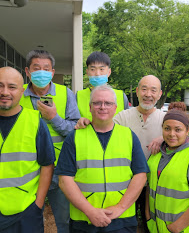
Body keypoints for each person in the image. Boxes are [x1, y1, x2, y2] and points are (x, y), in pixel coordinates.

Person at [56, 84, 149, 233]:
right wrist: (90, 211)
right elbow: (64, 180)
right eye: (97, 103)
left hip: (122, 220)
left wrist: (120, 208)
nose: (102, 107)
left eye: (108, 103)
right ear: (90, 107)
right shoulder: (75, 137)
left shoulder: (128, 136)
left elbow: (141, 175)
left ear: (115, 107)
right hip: (84, 220)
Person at [19, 50, 81, 233]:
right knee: (25, 220)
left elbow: (75, 130)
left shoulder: (65, 93)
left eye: (46, 68)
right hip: (26, 170)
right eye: (36, 68)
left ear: (53, 72)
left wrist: (54, 118)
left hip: (58, 170)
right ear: (27, 71)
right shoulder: (17, 93)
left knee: (64, 221)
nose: (41, 72)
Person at [0, 67, 55, 233]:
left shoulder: (35, 122)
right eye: (0, 85)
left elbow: (47, 164)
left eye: (11, 87)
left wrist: (38, 205)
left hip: (25, 213)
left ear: (22, 90)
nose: (4, 92)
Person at [146, 110, 189, 233]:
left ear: (187, 131)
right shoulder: (156, 153)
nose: (171, 134)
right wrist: (148, 216)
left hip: (186, 229)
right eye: (167, 128)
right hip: (156, 227)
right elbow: (150, 186)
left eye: (178, 130)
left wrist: (177, 227)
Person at [113, 75, 166, 232]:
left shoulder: (166, 120)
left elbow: (184, 138)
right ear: (137, 91)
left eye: (153, 90)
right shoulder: (122, 117)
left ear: (159, 94)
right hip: (126, 182)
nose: (148, 94)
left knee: (150, 222)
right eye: (144, 89)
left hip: (154, 184)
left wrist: (164, 137)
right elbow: (103, 129)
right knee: (124, 222)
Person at [76, 51, 129, 121]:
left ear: (109, 72)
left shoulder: (121, 96)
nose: (97, 74)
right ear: (87, 72)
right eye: (92, 69)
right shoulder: (78, 96)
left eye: (101, 69)